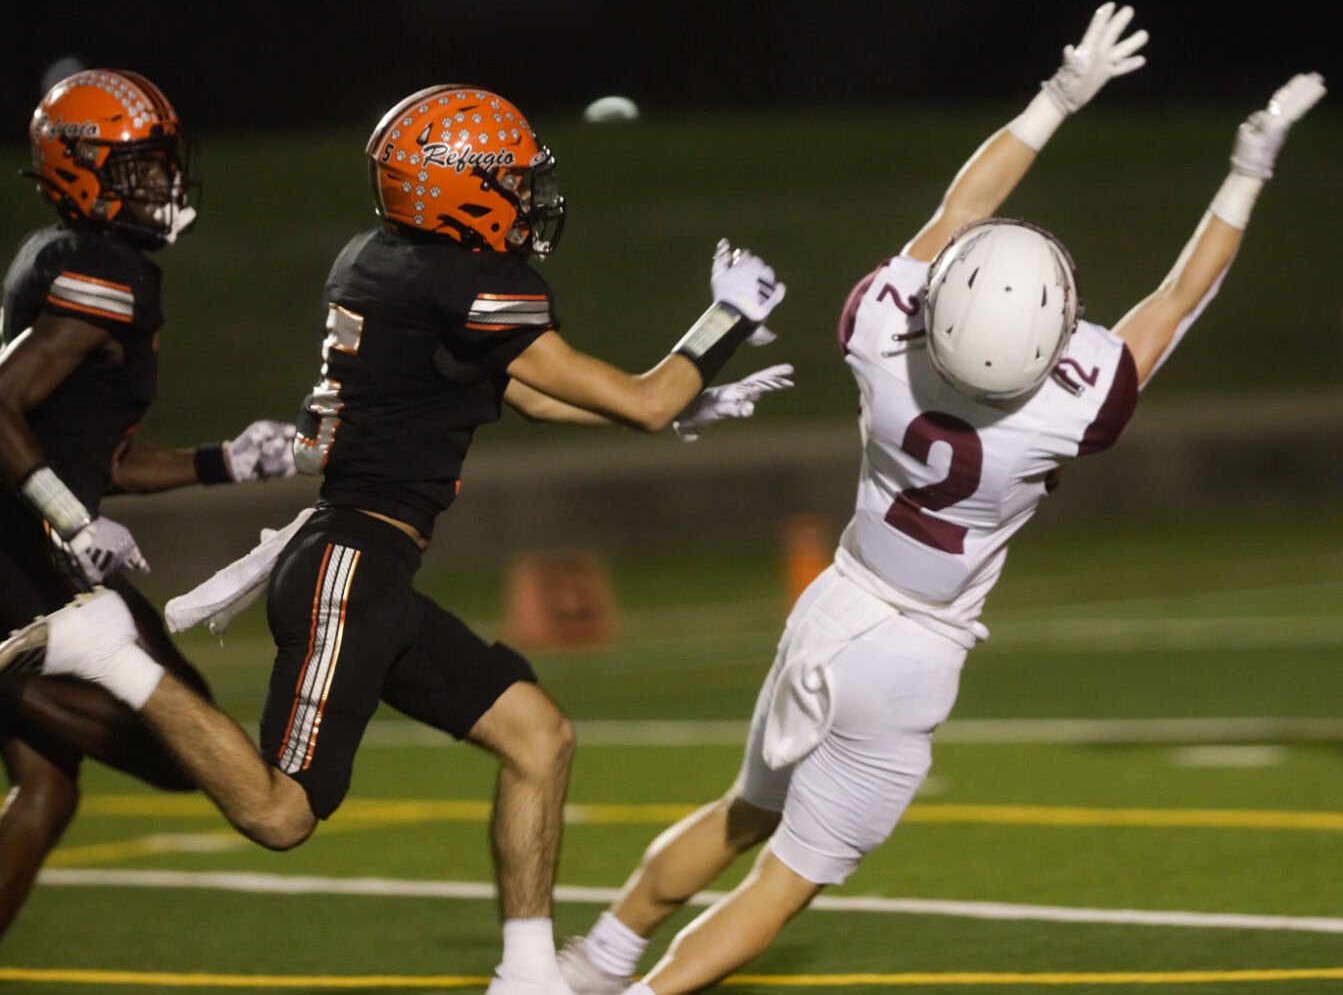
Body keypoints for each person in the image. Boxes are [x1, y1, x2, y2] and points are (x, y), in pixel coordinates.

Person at [553, 5, 1326, 995]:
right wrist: (1248, 169)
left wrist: (1058, 97)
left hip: (832, 604)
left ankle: (596, 957)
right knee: (783, 885)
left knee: (747, 806)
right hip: (912, 652)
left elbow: (960, 212)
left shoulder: (880, 336)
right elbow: (1180, 293)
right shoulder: (1072, 406)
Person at [0, 84, 792, 995]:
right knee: (280, 812)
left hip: (367, 563)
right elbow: (641, 399)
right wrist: (725, 322)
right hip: (348, 564)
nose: (527, 196)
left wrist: (685, 401)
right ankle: (111, 654)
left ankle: (527, 979)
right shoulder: (468, 281)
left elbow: (527, 390)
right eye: (508, 178)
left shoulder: (384, 264)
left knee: (539, 735)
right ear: (458, 188)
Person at [0, 68, 300, 937]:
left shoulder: (71, 256)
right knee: (181, 737)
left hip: (29, 523)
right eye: (141, 168)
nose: (164, 184)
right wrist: (70, 515)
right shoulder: (105, 268)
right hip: (21, 537)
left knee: (48, 788)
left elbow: (101, 459)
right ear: (82, 170)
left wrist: (226, 464)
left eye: (163, 165)